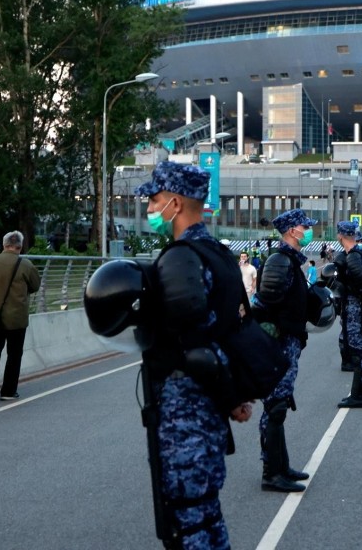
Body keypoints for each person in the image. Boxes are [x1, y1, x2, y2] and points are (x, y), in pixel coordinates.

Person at [135, 161, 254, 548]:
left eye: (154, 201)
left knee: (188, 526)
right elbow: (231, 332)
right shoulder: (218, 254)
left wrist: (231, 397)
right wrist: (233, 395)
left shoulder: (182, 259)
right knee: (206, 519)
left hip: (187, 415)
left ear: (174, 203)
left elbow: (196, 348)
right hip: (209, 411)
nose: (151, 209)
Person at [252, 209, 317, 493]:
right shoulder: (280, 261)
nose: (307, 230)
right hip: (279, 344)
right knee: (275, 407)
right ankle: (271, 473)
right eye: (304, 226)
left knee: (280, 404)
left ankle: (282, 466)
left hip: (287, 342)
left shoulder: (289, 260)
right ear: (292, 230)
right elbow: (266, 302)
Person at [0, 231, 41, 401]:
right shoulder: (26, 265)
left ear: (4, 245)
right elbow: (35, 285)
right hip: (17, 319)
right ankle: (8, 391)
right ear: (20, 247)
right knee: (14, 354)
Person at [334, 221, 362, 408]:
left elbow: (361, 280)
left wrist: (348, 286)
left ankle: (358, 396)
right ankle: (358, 394)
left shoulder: (352, 258)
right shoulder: (361, 255)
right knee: (360, 353)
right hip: (358, 308)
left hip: (355, 309)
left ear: (341, 235)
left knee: (359, 354)